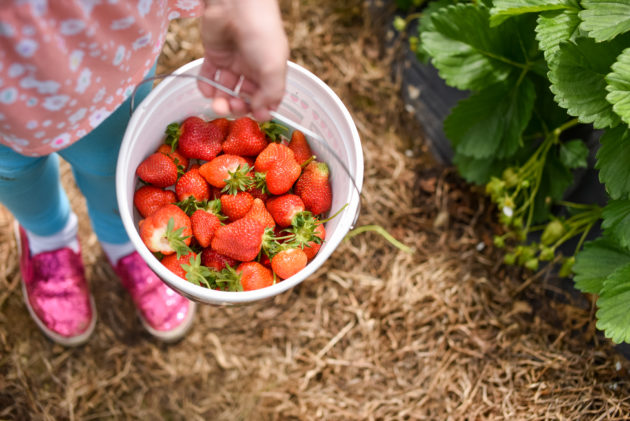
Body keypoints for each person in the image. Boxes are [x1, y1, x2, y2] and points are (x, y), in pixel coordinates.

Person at [0, 0, 289, 346]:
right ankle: (48, 237)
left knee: (112, 162)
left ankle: (125, 242)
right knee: (11, 172)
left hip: (100, 58)